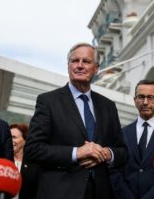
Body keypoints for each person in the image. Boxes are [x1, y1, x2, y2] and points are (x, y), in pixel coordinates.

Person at [23, 42, 127, 199]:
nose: (79, 65)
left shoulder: (108, 106)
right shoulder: (48, 101)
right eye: (74, 61)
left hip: (101, 192)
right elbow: (33, 149)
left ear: (96, 68)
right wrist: (76, 153)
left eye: (86, 61)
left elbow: (123, 152)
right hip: (61, 193)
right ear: (68, 66)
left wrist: (107, 153)